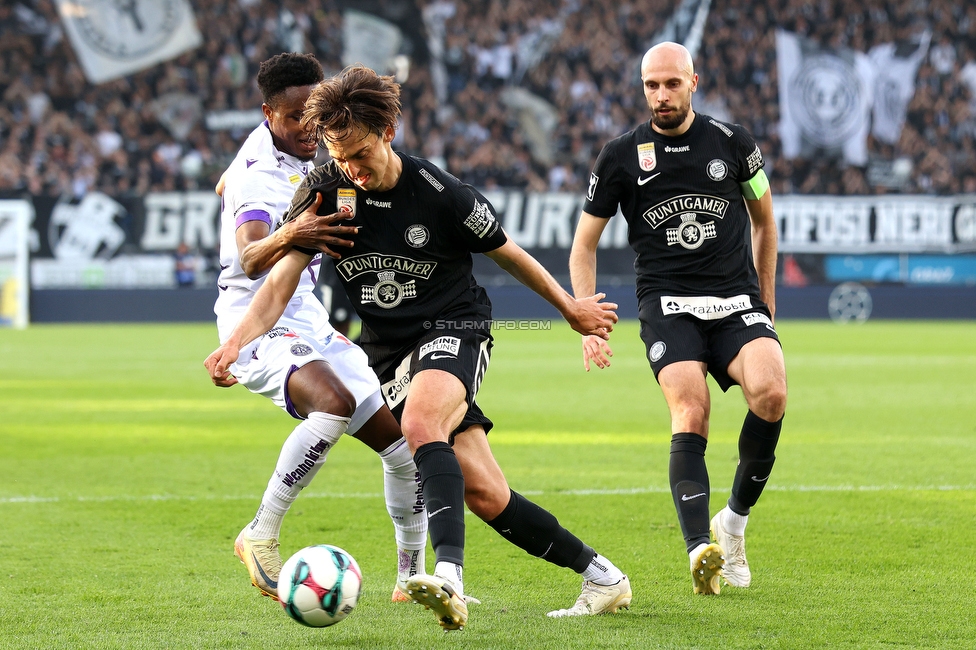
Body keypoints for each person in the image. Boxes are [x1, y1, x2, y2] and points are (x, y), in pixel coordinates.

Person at [206, 64, 632, 631]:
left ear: (388, 132)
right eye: (339, 154)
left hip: (454, 326)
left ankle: (446, 577)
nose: (351, 169)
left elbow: (509, 253)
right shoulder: (326, 190)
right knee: (486, 494)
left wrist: (571, 308)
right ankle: (603, 577)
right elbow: (278, 282)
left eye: (360, 153)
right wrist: (235, 341)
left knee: (421, 425)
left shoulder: (438, 192)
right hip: (386, 349)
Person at [569, 42, 787, 596]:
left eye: (671, 84)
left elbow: (765, 221)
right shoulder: (619, 156)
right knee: (692, 409)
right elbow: (583, 246)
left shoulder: (735, 143)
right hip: (667, 305)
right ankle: (700, 549)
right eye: (650, 86)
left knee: (772, 393)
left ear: (694, 81)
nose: (660, 96)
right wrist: (587, 314)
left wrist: (765, 300)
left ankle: (731, 525)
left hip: (736, 301)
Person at [208, 53, 427, 604]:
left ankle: (410, 574)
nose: (309, 131)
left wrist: (226, 182)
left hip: (308, 315)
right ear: (267, 113)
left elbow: (225, 184)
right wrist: (292, 230)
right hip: (256, 316)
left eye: (313, 117)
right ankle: (260, 532)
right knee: (328, 402)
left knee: (402, 444)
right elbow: (254, 259)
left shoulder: (305, 149)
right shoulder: (258, 175)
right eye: (293, 119)